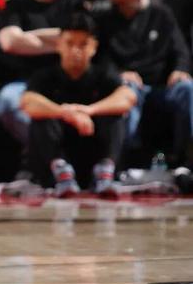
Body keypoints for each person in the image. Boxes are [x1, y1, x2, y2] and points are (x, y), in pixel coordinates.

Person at [21, 13, 136, 197]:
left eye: (83, 44)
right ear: (59, 44)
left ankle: (105, 172)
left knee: (115, 116)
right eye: (69, 43)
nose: (76, 50)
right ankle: (62, 174)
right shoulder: (44, 76)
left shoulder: (104, 73)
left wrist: (89, 110)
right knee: (42, 117)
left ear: (94, 47)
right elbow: (27, 102)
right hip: (57, 154)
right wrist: (66, 113)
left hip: (94, 149)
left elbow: (128, 97)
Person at [0, 0, 83, 162]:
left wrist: (30, 37)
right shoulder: (18, 6)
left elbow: (79, 40)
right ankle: (54, 158)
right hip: (27, 82)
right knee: (6, 100)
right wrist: (61, 40)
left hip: (68, 80)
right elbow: (9, 42)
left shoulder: (74, 5)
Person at [97, 0, 193, 164]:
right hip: (130, 85)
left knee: (187, 88)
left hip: (162, 86)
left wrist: (180, 70)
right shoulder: (104, 21)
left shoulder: (162, 13)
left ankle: (185, 159)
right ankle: (127, 162)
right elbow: (100, 59)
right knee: (126, 92)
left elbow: (180, 50)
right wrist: (120, 73)